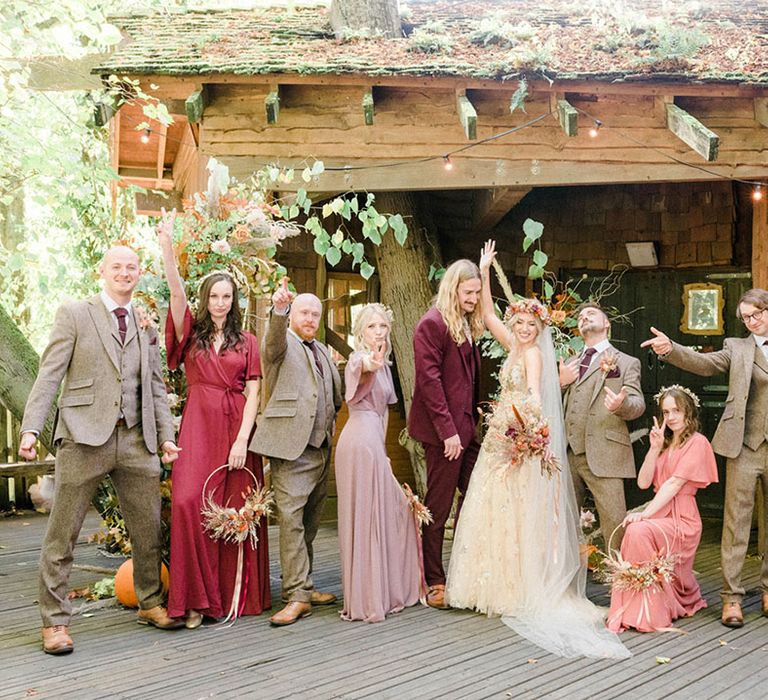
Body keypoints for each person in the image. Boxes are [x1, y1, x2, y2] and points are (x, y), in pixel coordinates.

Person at [445, 240, 629, 660]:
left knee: (517, 512)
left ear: (540, 330)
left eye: (530, 326)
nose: (524, 330)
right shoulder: (513, 347)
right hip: (499, 440)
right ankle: (489, 583)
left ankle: (518, 587)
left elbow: (531, 399)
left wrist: (517, 429)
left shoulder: (532, 359)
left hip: (518, 440)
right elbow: (488, 313)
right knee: (491, 509)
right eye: (521, 325)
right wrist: (485, 268)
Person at [19, 245, 184, 656]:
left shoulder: (144, 323)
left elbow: (156, 387)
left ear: (139, 273)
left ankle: (149, 602)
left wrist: (165, 436)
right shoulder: (75, 313)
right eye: (117, 267)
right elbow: (49, 374)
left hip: (135, 438)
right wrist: (31, 427)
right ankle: (55, 623)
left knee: (147, 529)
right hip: (82, 436)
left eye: (131, 267)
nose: (124, 273)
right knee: (63, 533)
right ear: (102, 271)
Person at [157, 210, 269, 628]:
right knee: (188, 501)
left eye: (227, 297)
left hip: (236, 425)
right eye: (214, 297)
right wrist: (167, 247)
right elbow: (175, 293)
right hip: (199, 424)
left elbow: (254, 390)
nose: (220, 303)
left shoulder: (249, 341)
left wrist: (243, 440)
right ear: (205, 301)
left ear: (233, 301)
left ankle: (225, 599)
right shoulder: (190, 334)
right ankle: (192, 599)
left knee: (232, 508)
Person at [641, 288, 768, 628]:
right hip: (744, 446)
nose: (752, 322)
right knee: (736, 523)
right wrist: (672, 350)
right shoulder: (737, 348)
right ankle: (732, 598)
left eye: (757, 314)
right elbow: (706, 364)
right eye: (746, 318)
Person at [250, 278, 342, 626]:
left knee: (309, 523)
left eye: (315, 314)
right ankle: (295, 595)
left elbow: (333, 395)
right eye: (304, 312)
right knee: (290, 521)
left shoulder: (320, 350)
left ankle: (305, 583)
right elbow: (270, 345)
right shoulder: (280, 343)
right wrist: (278, 310)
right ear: (292, 314)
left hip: (320, 449)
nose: (310, 318)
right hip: (290, 448)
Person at [335, 304, 423, 622]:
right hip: (357, 443)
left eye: (383, 326)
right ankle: (365, 597)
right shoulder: (360, 359)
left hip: (374, 443)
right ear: (361, 331)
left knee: (394, 507)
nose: (378, 332)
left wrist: (385, 452)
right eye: (372, 327)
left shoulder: (386, 366)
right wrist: (372, 359)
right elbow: (365, 366)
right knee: (365, 515)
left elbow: (385, 412)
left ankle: (384, 589)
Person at [607, 386, 718, 632]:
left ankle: (650, 611)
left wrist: (645, 514)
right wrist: (655, 448)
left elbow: (674, 484)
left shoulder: (698, 443)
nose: (671, 417)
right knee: (636, 530)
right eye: (666, 412)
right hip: (661, 512)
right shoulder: (665, 444)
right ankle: (636, 610)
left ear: (688, 411)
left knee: (638, 530)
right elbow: (644, 482)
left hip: (683, 518)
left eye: (677, 410)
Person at [408, 259, 483, 610]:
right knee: (437, 507)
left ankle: (468, 571)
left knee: (478, 495)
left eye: (478, 292)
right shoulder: (431, 324)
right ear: (453, 289)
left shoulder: (465, 323)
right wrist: (448, 432)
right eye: (469, 292)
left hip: (468, 430)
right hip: (445, 435)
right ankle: (434, 580)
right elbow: (429, 383)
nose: (474, 298)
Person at [560, 302, 645, 546]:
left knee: (614, 523)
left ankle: (619, 580)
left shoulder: (626, 362)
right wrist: (561, 383)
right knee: (562, 521)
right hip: (568, 452)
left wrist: (622, 405)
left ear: (607, 324)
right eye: (581, 316)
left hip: (605, 452)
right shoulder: (568, 362)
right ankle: (565, 580)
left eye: (591, 314)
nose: (584, 317)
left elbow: (638, 403)